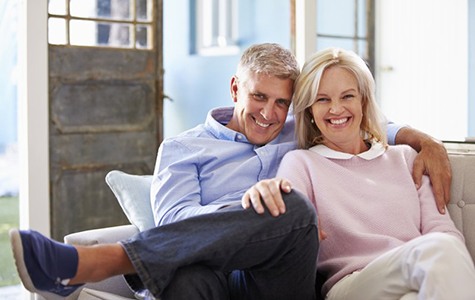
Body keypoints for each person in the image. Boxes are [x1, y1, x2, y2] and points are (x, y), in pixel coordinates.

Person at [10, 43, 451, 300]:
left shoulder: (301, 129)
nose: (269, 114)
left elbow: (362, 121)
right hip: (209, 271)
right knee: (189, 278)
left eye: (282, 103)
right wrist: (247, 207)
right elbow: (176, 224)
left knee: (291, 207)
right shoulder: (182, 150)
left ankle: (108, 260)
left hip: (279, 281)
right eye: (259, 97)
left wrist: (423, 140)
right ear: (236, 87)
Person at [244, 47, 475, 299]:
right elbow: (289, 219)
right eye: (322, 99)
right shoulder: (301, 163)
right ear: (310, 110)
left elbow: (442, 229)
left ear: (363, 101)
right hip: (351, 284)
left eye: (347, 96)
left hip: (417, 274)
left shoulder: (406, 158)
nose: (336, 109)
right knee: (441, 249)